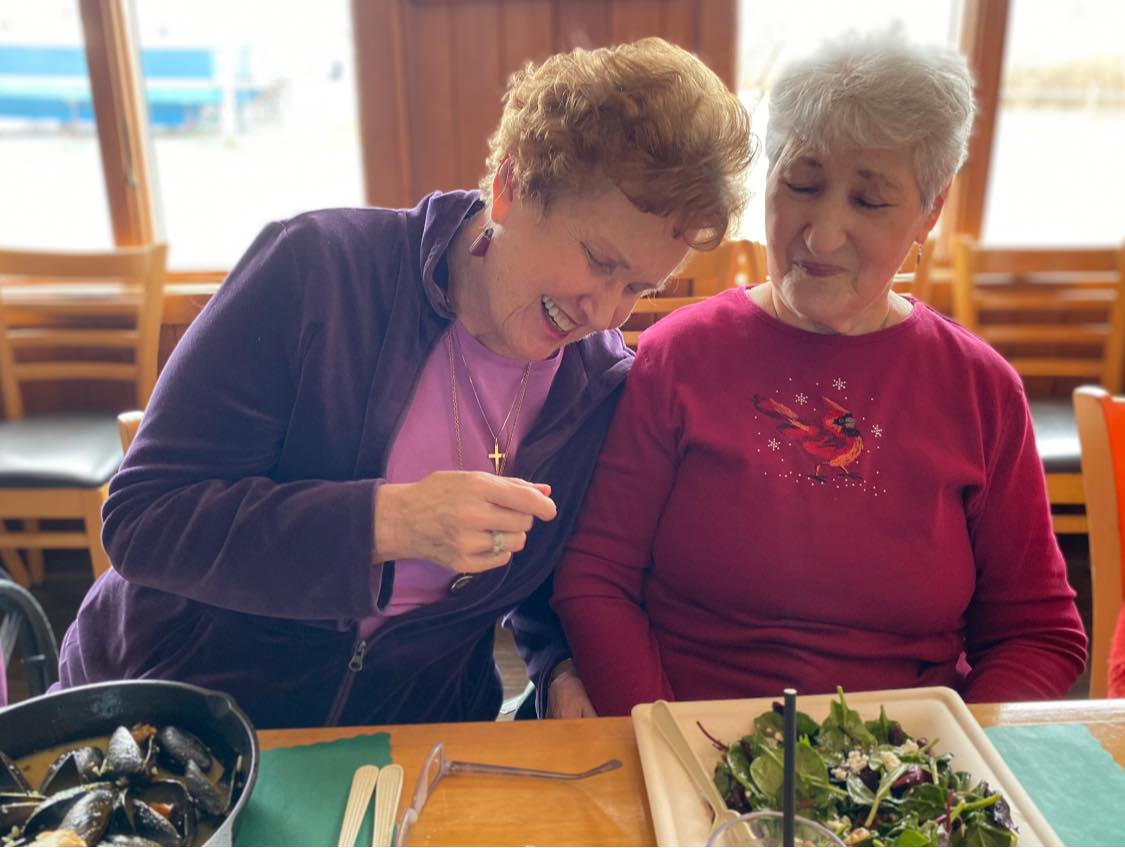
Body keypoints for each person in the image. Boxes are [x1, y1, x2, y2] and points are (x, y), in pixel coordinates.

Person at [55, 37, 753, 728]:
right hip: (177, 719)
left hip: (412, 738)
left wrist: (557, 665)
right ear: (510, 188)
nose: (605, 313)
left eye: (639, 285)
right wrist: (388, 522)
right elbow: (143, 520)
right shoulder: (317, 271)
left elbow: (543, 571)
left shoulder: (597, 384)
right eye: (599, 261)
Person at [552, 31, 1088, 716]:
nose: (822, 235)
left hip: (902, 767)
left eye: (869, 202)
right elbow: (597, 577)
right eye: (801, 185)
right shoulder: (677, 356)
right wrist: (656, 734)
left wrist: (961, 757)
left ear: (930, 209)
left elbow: (1037, 634)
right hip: (687, 739)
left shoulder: (979, 389)